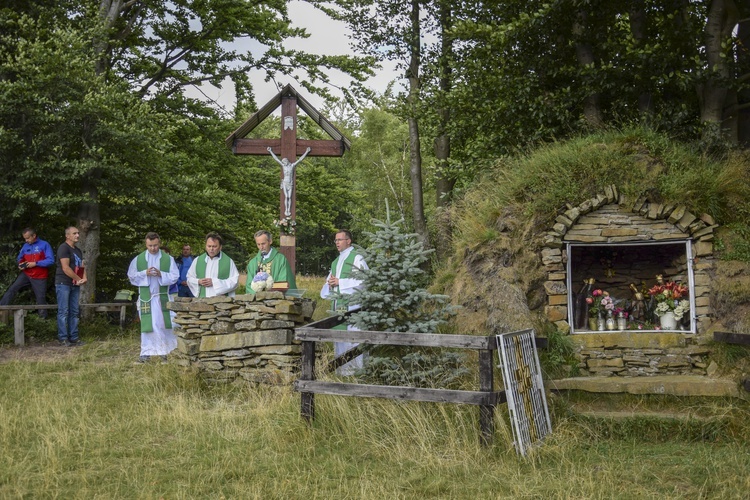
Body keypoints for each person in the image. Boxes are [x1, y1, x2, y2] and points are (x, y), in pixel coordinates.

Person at [320, 230, 368, 375]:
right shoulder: (336, 261)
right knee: (340, 339)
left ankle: (357, 372)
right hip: (339, 306)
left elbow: (364, 280)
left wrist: (340, 282)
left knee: (354, 339)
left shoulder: (357, 258)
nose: (337, 243)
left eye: (340, 240)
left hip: (353, 306)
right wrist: (330, 283)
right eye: (335, 240)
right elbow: (329, 283)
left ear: (349, 241)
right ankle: (342, 372)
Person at [127, 232, 179, 363]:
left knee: (162, 325)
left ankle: (164, 353)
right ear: (146, 244)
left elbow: (175, 276)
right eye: (150, 245)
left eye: (155, 245)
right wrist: (145, 273)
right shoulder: (138, 259)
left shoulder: (168, 259)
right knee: (147, 326)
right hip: (146, 298)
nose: (153, 248)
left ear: (159, 243)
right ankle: (145, 354)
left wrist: (162, 274)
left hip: (162, 298)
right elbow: (131, 276)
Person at [0, 228, 54, 319]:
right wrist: (20, 264)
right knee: (12, 288)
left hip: (39, 276)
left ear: (34, 236)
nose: (26, 240)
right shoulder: (25, 246)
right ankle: (1, 307)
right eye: (25, 238)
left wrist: (36, 263)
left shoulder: (44, 245)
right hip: (26, 274)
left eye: (28, 238)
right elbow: (19, 258)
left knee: (40, 298)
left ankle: (43, 319)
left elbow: (51, 260)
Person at [55, 226, 87, 346]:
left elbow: (82, 266)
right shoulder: (63, 248)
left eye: (78, 233)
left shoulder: (77, 250)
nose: (77, 235)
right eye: (74, 233)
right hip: (63, 283)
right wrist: (78, 279)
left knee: (74, 311)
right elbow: (65, 268)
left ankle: (74, 337)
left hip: (75, 283)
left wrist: (85, 278)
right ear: (67, 235)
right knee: (63, 311)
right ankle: (63, 338)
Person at [187, 232, 239, 298]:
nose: (211, 249)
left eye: (214, 246)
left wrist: (215, 282)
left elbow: (235, 282)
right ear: (205, 246)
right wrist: (198, 281)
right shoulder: (198, 260)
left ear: (220, 247)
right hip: (202, 301)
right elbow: (189, 278)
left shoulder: (228, 261)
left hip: (221, 303)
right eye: (209, 246)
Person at [267, 146, 311, 217]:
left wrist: (306, 152)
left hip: (290, 183)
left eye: (285, 161)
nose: (284, 162)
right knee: (286, 197)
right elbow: (276, 159)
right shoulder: (283, 166)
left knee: (289, 197)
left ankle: (288, 210)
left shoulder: (292, 166)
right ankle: (286, 210)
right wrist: (270, 151)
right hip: (285, 182)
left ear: (287, 161)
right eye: (283, 162)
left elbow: (300, 160)